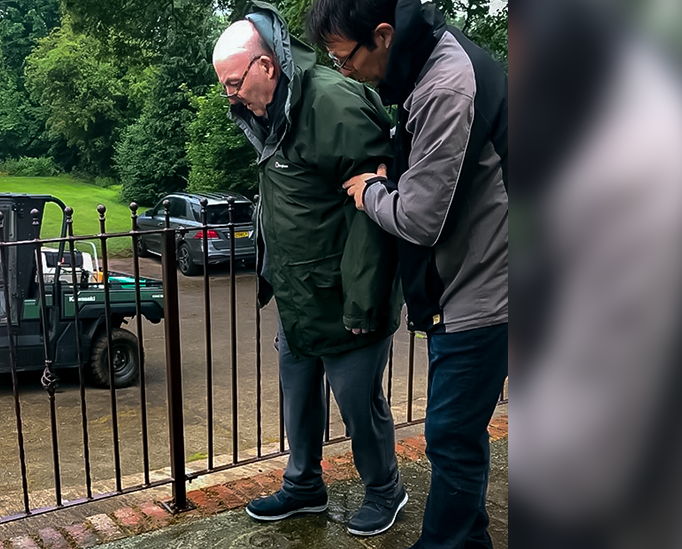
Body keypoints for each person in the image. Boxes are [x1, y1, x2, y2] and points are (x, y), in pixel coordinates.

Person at [306, 0, 509, 547]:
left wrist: (369, 192)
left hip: (483, 290)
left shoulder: (445, 86)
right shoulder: (426, 66)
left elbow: (420, 218)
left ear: (383, 35)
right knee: (459, 440)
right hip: (466, 283)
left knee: (449, 440)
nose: (341, 70)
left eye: (344, 57)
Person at [211, 1, 407, 537]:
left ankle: (385, 489)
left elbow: (374, 206)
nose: (228, 95)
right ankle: (303, 487)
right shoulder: (265, 109)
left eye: (232, 83)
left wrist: (365, 300)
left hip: (346, 296)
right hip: (300, 293)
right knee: (299, 395)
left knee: (356, 403)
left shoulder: (333, 104)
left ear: (267, 67)